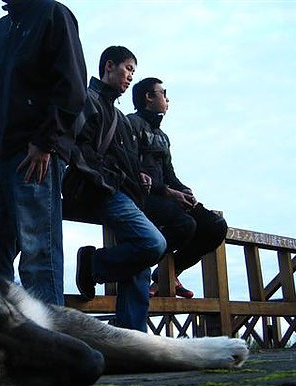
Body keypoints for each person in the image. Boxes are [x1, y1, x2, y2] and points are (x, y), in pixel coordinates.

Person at [0, 0, 87, 306]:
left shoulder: (53, 14)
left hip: (34, 153)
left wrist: (45, 141)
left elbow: (72, 87)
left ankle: (49, 346)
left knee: (38, 255)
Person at [72, 46, 166, 332]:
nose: (130, 77)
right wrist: (111, 181)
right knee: (153, 244)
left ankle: (132, 336)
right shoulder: (86, 100)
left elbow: (126, 160)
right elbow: (79, 149)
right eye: (128, 69)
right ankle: (93, 263)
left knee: (138, 259)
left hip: (123, 191)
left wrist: (138, 176)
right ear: (109, 66)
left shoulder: (119, 116)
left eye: (133, 72)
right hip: (101, 190)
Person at [127, 78, 228, 298]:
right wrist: (168, 192)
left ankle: (170, 273)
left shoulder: (163, 136)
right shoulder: (130, 123)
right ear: (149, 97)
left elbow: (169, 173)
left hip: (166, 196)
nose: (167, 99)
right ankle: (139, 270)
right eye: (163, 93)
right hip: (141, 196)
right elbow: (130, 170)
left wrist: (183, 190)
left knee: (215, 226)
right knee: (185, 225)